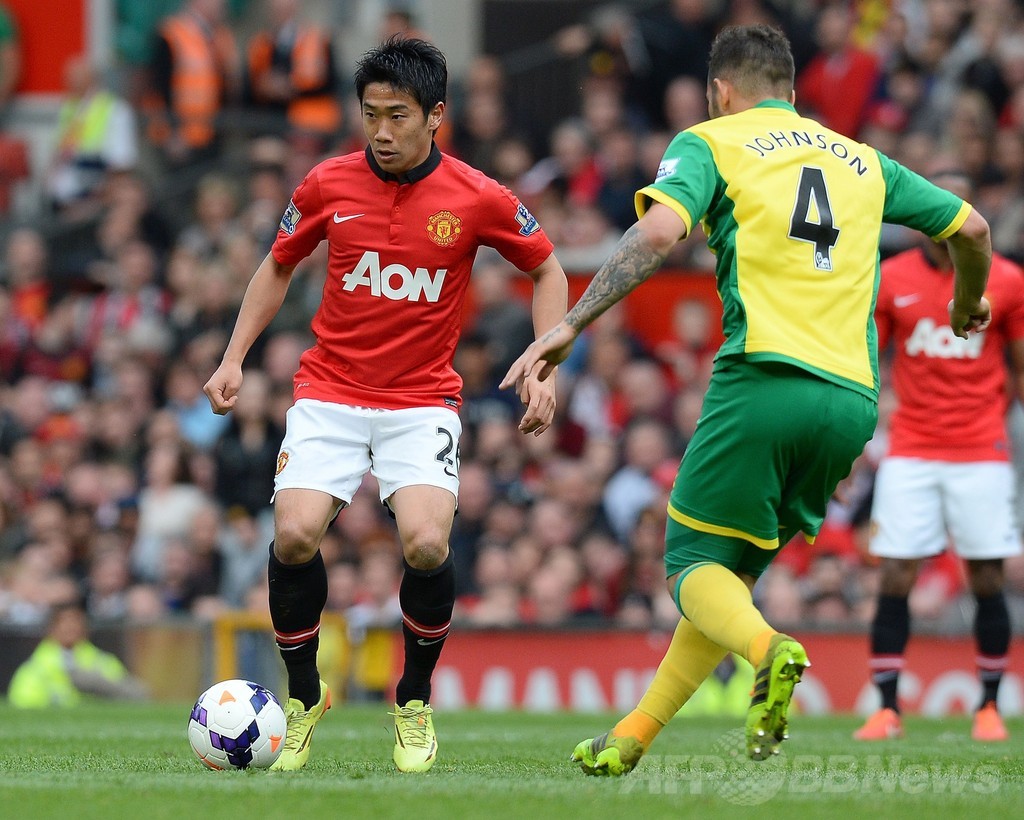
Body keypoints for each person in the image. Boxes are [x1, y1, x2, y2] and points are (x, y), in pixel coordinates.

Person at [502, 23, 992, 775]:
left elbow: (658, 234)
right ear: (793, 94)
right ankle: (633, 735)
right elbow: (974, 228)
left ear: (719, 92)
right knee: (725, 576)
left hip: (765, 378)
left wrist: (570, 324)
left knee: (690, 559)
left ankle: (770, 650)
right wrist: (966, 304)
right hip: (854, 403)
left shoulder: (712, 141)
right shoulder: (863, 159)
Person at [204, 36, 567, 773]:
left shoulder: (476, 195)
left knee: (428, 545)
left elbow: (549, 268)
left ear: (436, 115)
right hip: (330, 392)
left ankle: (414, 699)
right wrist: (233, 355)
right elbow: (277, 267)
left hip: (421, 399)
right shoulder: (326, 184)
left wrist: (545, 365)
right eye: (370, 115)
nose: (381, 132)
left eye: (398, 116)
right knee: (295, 535)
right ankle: (304, 699)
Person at [854, 169, 1024, 744]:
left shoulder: (1008, 281)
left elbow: (1020, 372)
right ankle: (885, 709)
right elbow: (870, 367)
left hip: (982, 449)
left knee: (985, 576)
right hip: (912, 448)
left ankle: (990, 708)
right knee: (896, 573)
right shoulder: (891, 276)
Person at [144, 0, 239, 166]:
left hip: (213, 135)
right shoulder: (172, 34)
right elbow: (156, 89)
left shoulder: (222, 38)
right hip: (181, 139)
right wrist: (169, 134)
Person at [7, 598, 148, 708]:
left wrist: (98, 684)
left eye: (75, 622)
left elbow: (131, 693)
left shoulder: (102, 661)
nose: (70, 628)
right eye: (64, 623)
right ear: (51, 629)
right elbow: (22, 703)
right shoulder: (35, 668)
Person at [46, 55, 138, 216]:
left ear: (92, 79)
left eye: (75, 78)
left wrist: (96, 201)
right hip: (62, 203)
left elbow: (121, 165)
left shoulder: (115, 110)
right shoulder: (68, 108)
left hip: (95, 201)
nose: (69, 83)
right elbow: (59, 155)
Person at [244, 0, 341, 146]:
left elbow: (331, 84)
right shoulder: (260, 45)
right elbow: (248, 90)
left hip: (311, 127)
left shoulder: (319, 40)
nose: (282, 5)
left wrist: (291, 88)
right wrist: (264, 87)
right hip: (272, 124)